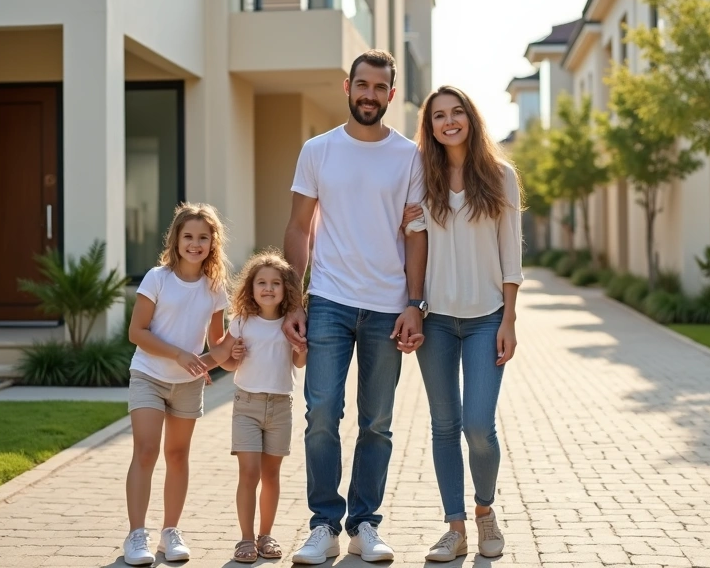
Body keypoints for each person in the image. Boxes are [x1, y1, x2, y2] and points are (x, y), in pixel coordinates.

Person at [283, 49, 428, 565]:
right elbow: (299, 227)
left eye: (379, 87)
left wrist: (415, 303)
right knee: (321, 412)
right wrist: (294, 299)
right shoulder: (318, 150)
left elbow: (416, 234)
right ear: (348, 87)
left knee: (377, 421)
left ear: (391, 94)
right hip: (328, 300)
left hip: (387, 306)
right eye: (362, 85)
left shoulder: (410, 156)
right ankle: (323, 524)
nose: (370, 95)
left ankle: (365, 523)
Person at [402, 85, 523, 561]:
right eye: (439, 116)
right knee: (444, 425)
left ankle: (485, 510)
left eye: (457, 113)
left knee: (478, 425)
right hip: (435, 320)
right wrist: (403, 222)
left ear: (470, 119)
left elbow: (511, 255)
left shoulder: (500, 176)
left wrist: (509, 319)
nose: (448, 121)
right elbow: (413, 244)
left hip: (485, 319)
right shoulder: (421, 178)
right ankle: (455, 527)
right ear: (429, 126)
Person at [121, 203, 230, 565]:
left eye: (203, 238)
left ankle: (170, 532)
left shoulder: (215, 287)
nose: (195, 244)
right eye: (188, 236)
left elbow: (217, 345)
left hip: (187, 385)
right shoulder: (158, 278)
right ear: (176, 239)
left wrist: (231, 351)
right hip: (149, 376)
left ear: (212, 243)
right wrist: (180, 355)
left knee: (178, 456)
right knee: (146, 451)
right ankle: (137, 535)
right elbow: (137, 332)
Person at [199, 250, 308, 563]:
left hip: (281, 406)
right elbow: (227, 362)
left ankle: (266, 535)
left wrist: (301, 348)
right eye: (262, 282)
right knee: (249, 473)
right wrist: (226, 356)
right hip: (246, 406)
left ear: (286, 288)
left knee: (271, 475)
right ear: (251, 287)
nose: (268, 288)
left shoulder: (291, 323)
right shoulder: (242, 322)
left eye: (276, 283)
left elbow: (299, 362)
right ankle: (246, 539)